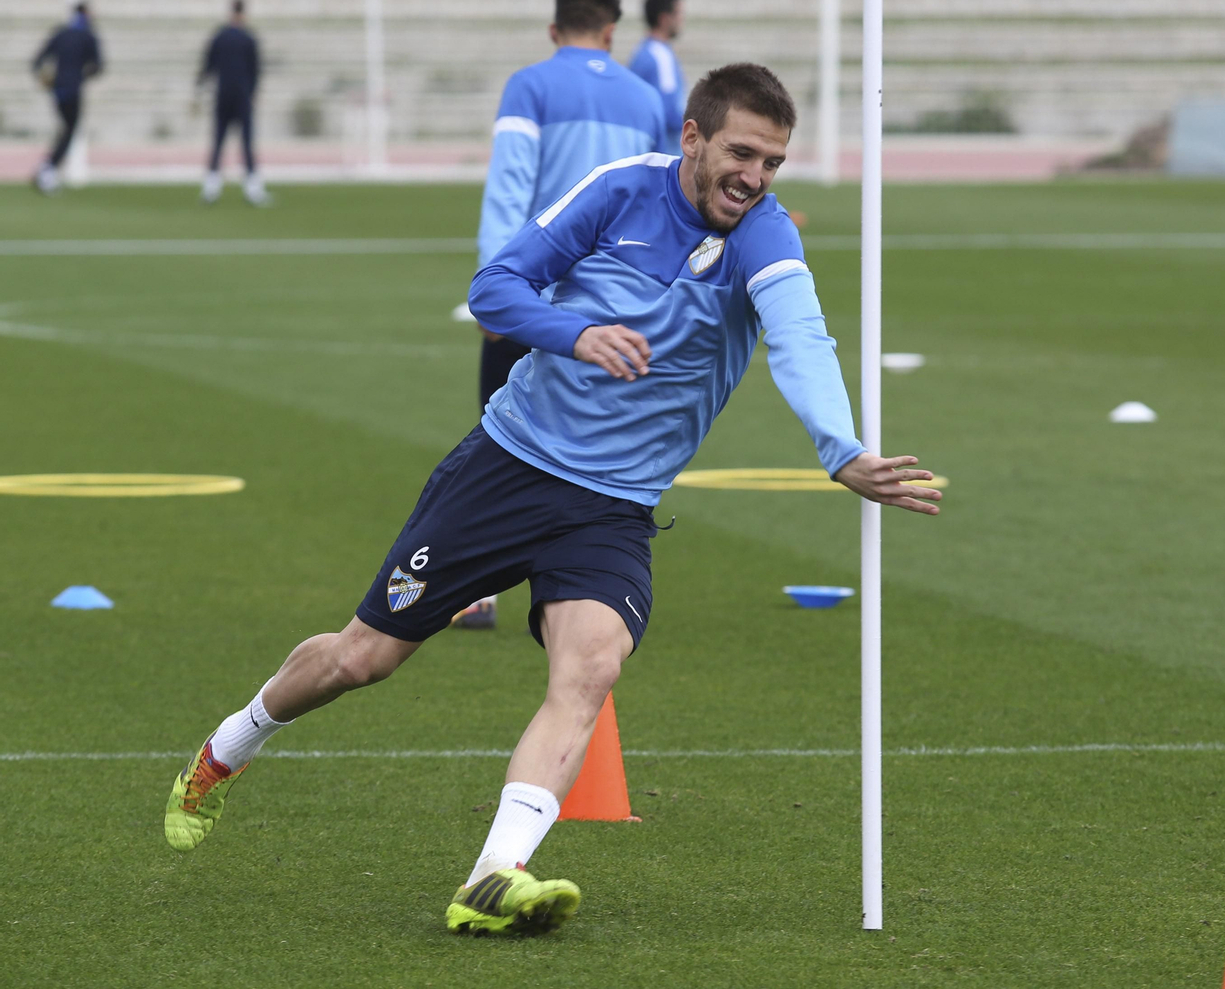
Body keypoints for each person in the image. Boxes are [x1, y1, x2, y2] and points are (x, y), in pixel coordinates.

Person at [163, 61, 940, 936]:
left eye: (773, 163)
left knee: (591, 669)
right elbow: (494, 289)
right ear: (692, 137)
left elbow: (803, 337)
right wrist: (576, 335)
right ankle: (229, 747)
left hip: (612, 507)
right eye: (742, 153)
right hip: (506, 466)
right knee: (361, 660)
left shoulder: (765, 234)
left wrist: (842, 453)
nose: (755, 179)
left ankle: (495, 874)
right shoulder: (619, 193)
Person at [454, 0, 676, 630]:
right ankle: (587, 587)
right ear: (612, 32)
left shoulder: (531, 84)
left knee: (500, 434)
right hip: (618, 304)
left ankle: (477, 590)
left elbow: (510, 189)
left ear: (556, 30)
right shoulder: (644, 100)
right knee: (602, 443)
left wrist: (495, 289)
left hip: (538, 297)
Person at [198, 0, 267, 206]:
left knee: (218, 140)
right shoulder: (248, 38)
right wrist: (253, 92)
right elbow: (256, 70)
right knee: (246, 142)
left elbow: (208, 65)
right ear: (243, 12)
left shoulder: (220, 36)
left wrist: (199, 87)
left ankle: (211, 188)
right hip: (242, 95)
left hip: (223, 94)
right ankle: (252, 189)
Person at [30, 1, 102, 195]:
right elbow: (97, 67)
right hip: (73, 90)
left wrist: (46, 78)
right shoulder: (88, 36)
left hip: (57, 90)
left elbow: (37, 61)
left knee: (65, 130)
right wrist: (80, 75)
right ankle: (48, 171)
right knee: (69, 131)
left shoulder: (61, 33)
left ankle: (47, 168)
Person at [628, 0, 686, 150]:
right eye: (679, 13)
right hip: (664, 152)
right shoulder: (660, 56)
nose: (682, 19)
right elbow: (669, 112)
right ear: (664, 19)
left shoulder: (643, 51)